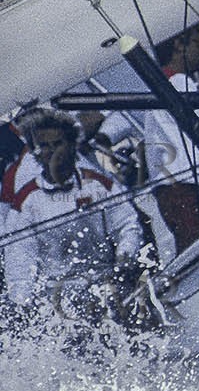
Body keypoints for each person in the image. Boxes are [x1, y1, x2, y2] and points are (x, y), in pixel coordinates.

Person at [2, 110, 148, 317]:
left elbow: (127, 225)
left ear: (71, 146)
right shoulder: (26, 201)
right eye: (45, 146)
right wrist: (22, 301)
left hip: (107, 284)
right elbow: (20, 256)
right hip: (59, 299)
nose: (52, 151)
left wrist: (125, 258)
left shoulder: (100, 185)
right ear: (36, 152)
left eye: (58, 144)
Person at [142, 24, 199, 253]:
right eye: (197, 43)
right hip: (187, 190)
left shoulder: (160, 85)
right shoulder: (177, 81)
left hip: (179, 191)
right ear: (179, 45)